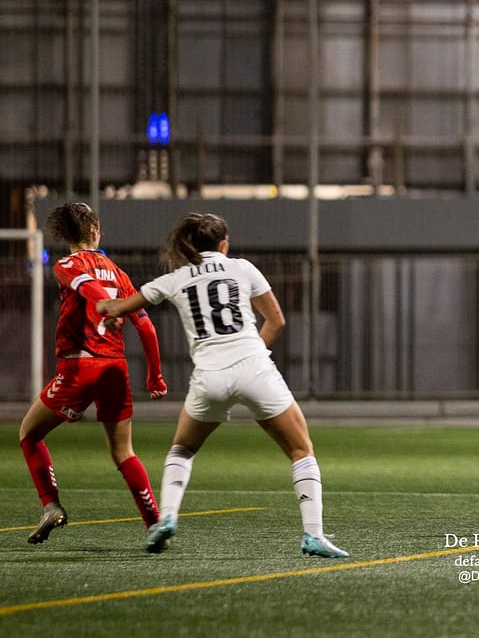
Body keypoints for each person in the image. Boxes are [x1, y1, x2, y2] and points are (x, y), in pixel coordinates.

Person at [96, 212, 348, 559]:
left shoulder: (174, 278)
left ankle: (167, 518)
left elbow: (120, 307)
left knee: (182, 450)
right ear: (224, 244)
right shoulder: (241, 267)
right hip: (254, 367)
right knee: (301, 450)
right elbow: (276, 320)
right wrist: (254, 356)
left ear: (187, 246)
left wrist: (103, 304)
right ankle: (313, 536)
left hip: (209, 377)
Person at [20, 201, 167, 545]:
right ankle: (156, 525)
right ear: (95, 230)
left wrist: (104, 304)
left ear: (65, 235)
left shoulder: (66, 264)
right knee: (124, 453)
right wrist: (155, 376)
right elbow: (146, 327)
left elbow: (89, 289)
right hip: (115, 368)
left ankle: (51, 504)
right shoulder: (117, 271)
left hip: (80, 366)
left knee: (29, 434)